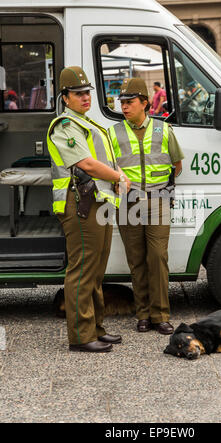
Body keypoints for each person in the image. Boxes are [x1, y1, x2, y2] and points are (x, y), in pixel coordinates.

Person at [47, 66, 131, 353]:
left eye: (87, 93)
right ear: (65, 97)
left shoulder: (88, 124)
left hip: (98, 202)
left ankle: (96, 327)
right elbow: (87, 164)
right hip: (80, 204)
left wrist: (118, 173)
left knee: (95, 270)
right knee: (82, 270)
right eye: (78, 94)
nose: (85, 98)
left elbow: (104, 159)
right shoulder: (65, 126)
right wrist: (118, 176)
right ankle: (82, 336)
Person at [109, 77, 184, 335]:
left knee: (158, 258)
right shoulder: (113, 133)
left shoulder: (164, 130)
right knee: (136, 260)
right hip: (128, 202)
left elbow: (177, 164)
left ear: (144, 103)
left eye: (130, 102)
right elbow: (107, 167)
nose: (125, 107)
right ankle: (143, 314)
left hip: (158, 199)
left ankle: (160, 314)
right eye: (122, 103)